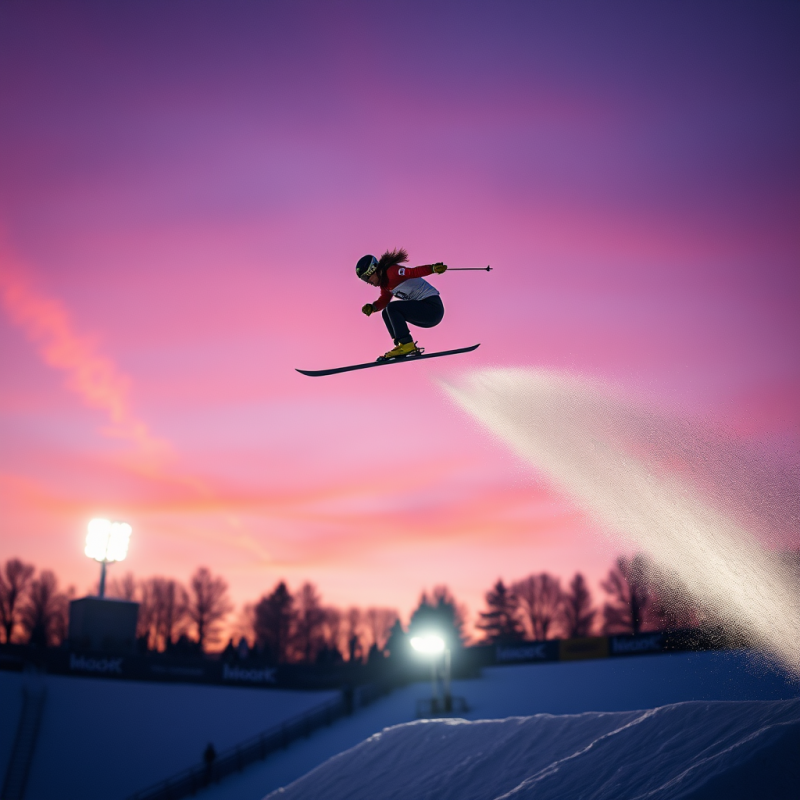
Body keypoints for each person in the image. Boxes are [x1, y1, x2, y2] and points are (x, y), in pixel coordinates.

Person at [356, 248, 447, 360]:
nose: (368, 283)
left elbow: (412, 272)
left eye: (366, 278)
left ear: (373, 270)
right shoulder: (385, 285)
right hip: (425, 313)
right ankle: (402, 345)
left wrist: (432, 268)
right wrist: (373, 307)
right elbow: (384, 299)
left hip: (432, 308)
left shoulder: (392, 271)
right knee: (386, 312)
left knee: (392, 308)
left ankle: (406, 343)